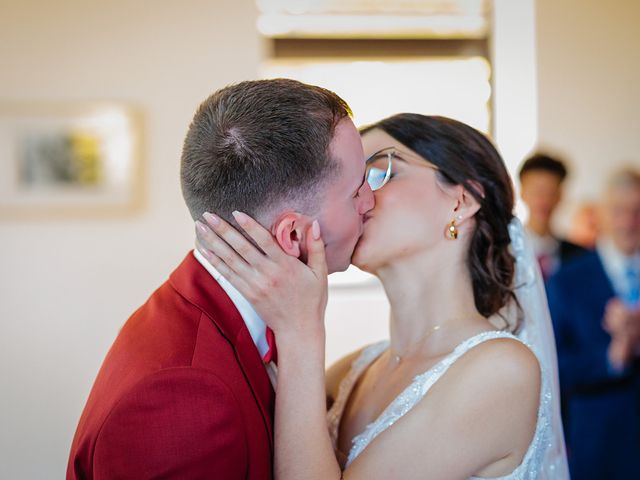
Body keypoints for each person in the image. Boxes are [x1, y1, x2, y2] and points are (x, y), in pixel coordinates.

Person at [196, 114, 570, 479]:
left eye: (380, 171)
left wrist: (300, 331)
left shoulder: (501, 369)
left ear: (462, 201)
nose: (358, 197)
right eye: (350, 181)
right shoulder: (353, 370)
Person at [66, 79, 374, 479]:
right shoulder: (181, 398)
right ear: (293, 236)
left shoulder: (257, 307)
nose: (371, 201)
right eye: (356, 190)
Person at [546, 167, 640, 479]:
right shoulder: (566, 281)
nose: (629, 222)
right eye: (618, 211)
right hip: (598, 450)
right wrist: (611, 358)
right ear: (600, 214)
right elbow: (553, 365)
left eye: (637, 212)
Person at [518, 153, 587, 281]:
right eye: (537, 192)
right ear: (522, 193)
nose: (543, 201)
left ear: (561, 195)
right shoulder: (506, 250)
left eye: (551, 192)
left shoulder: (578, 256)